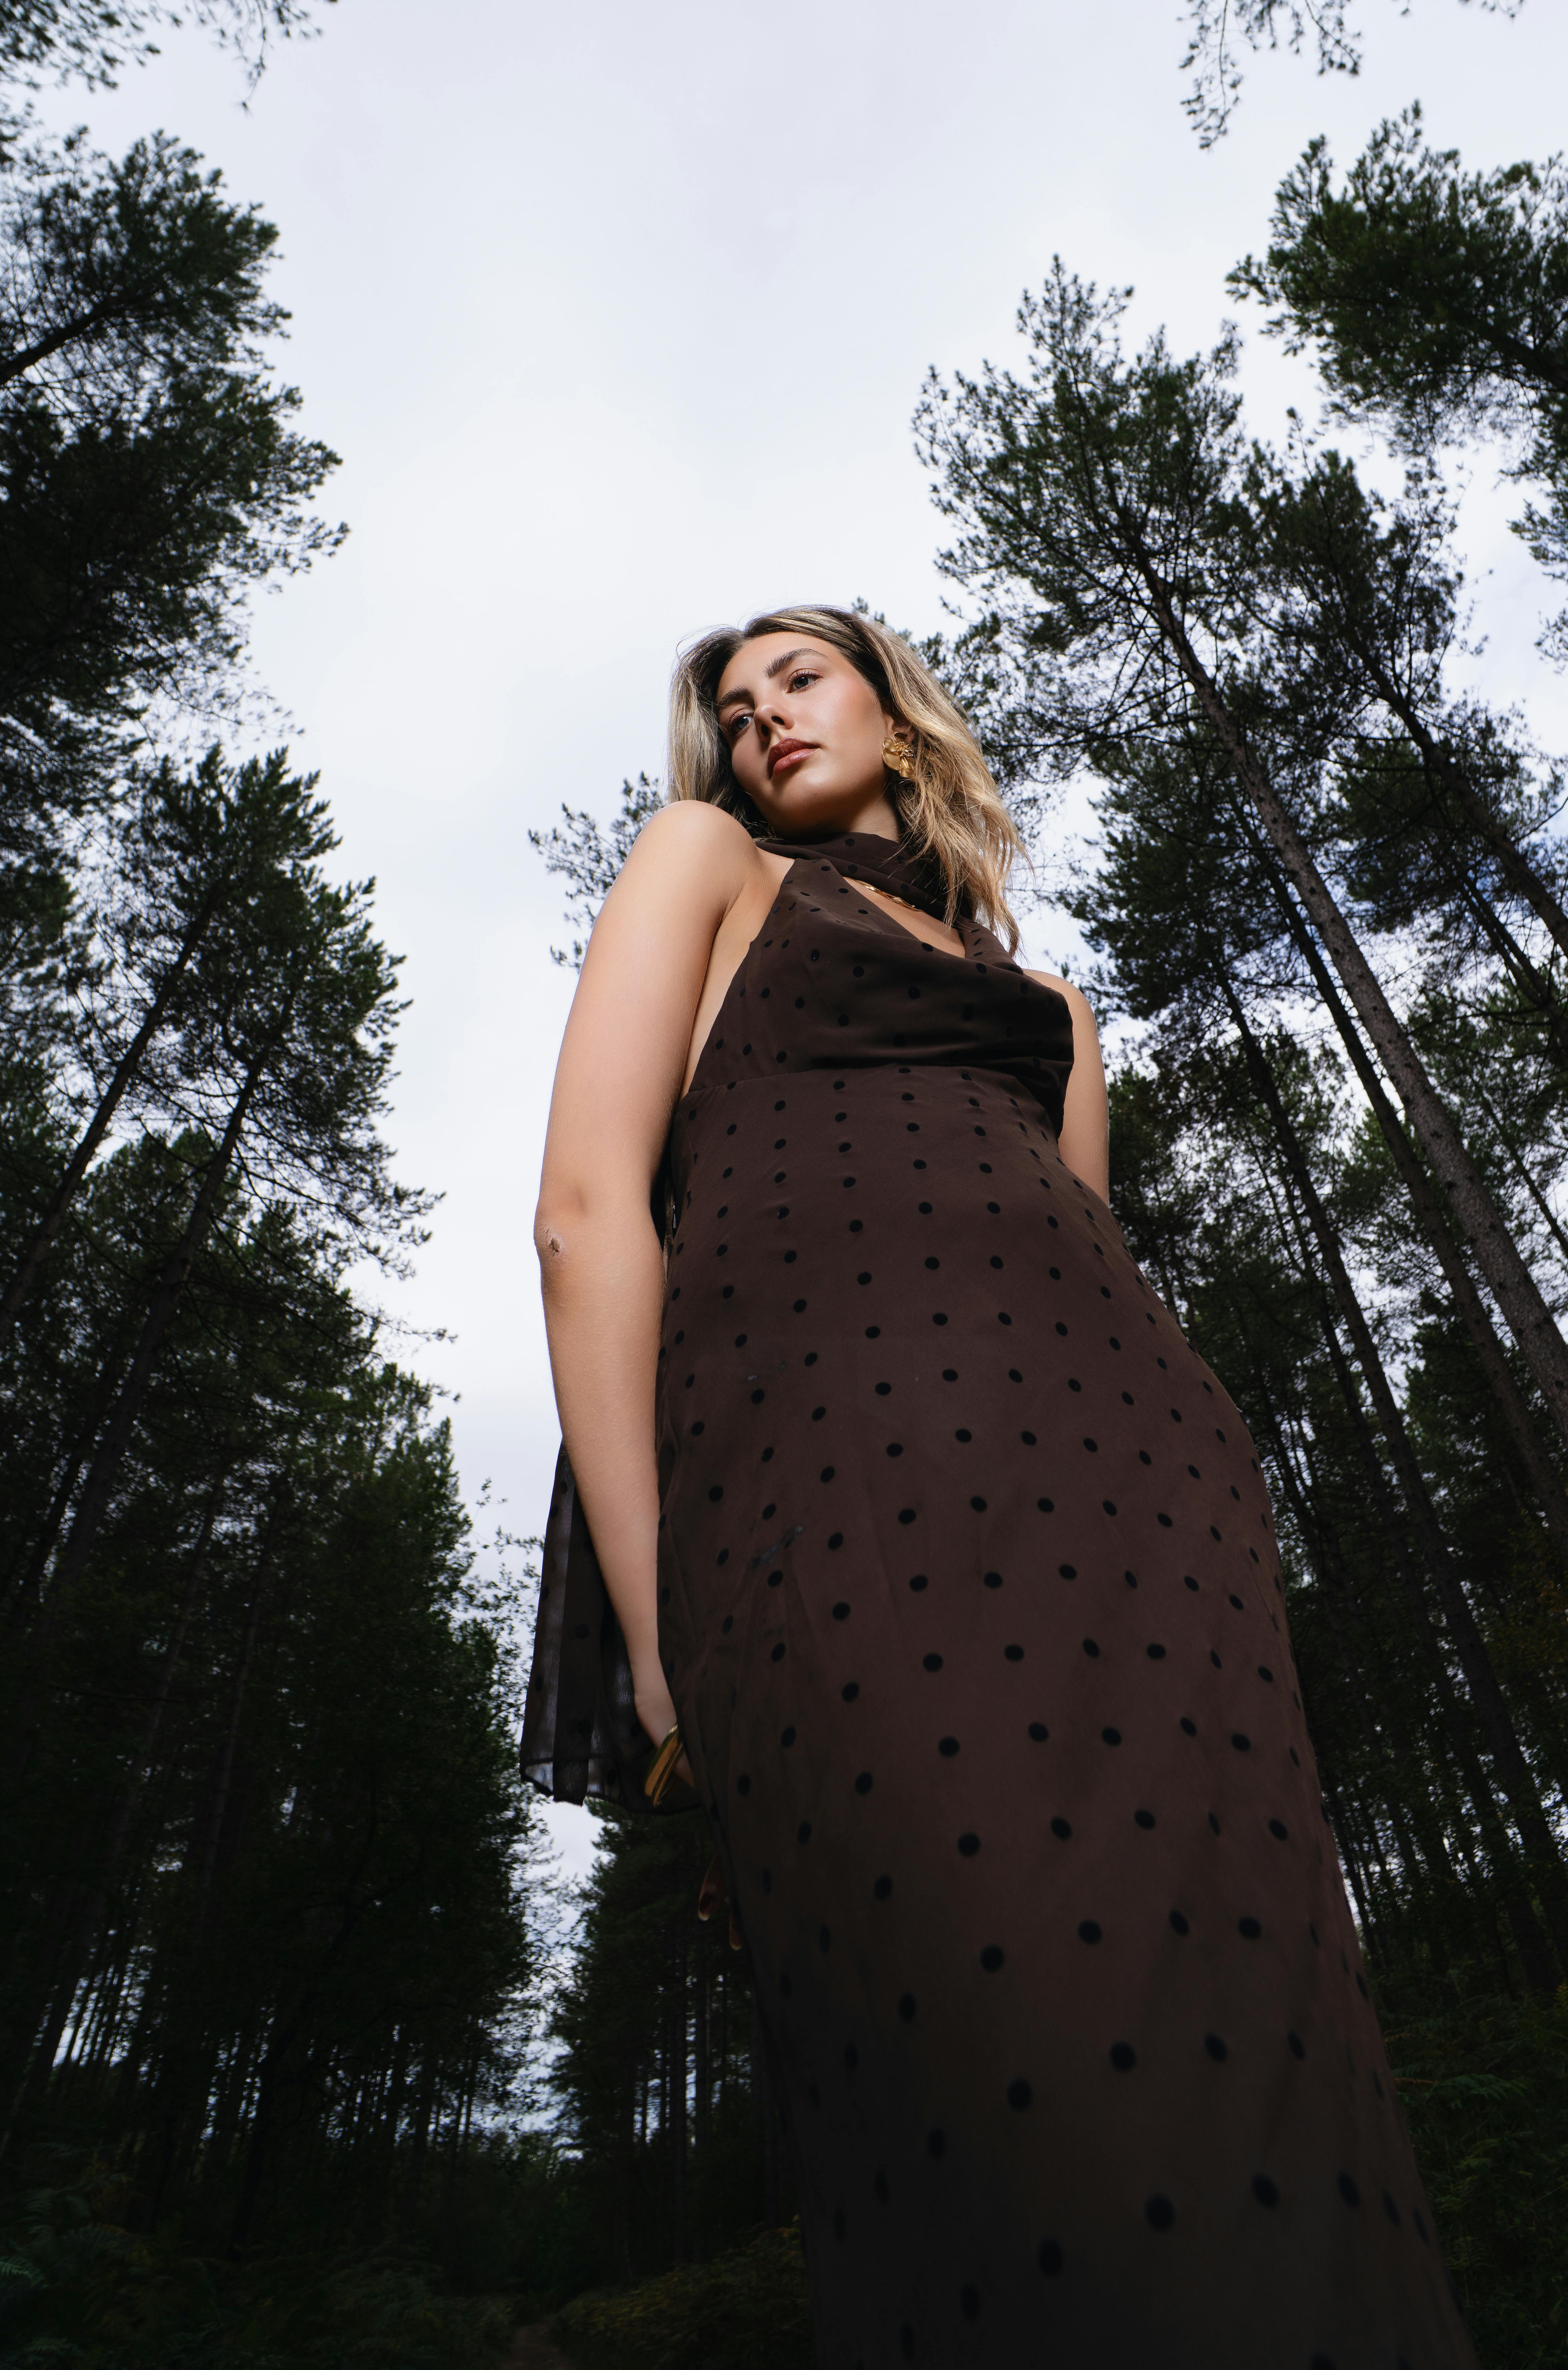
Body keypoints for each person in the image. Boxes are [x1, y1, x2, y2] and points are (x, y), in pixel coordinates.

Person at [525, 606, 1473, 2368]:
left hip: (1140, 1503)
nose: (759, 721)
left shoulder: (1051, 1003)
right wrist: (660, 1645)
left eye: (798, 678)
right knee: (995, 2060)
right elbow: (587, 1214)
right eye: (732, 709)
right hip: (838, 1506)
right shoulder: (709, 869)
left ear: (897, 710)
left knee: (1272, 2062)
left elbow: (1088, 1252)